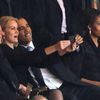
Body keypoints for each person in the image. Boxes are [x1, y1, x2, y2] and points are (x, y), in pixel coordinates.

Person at [79, 9, 100, 87]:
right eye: (99, 24)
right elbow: (77, 77)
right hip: (89, 88)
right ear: (89, 26)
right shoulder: (81, 45)